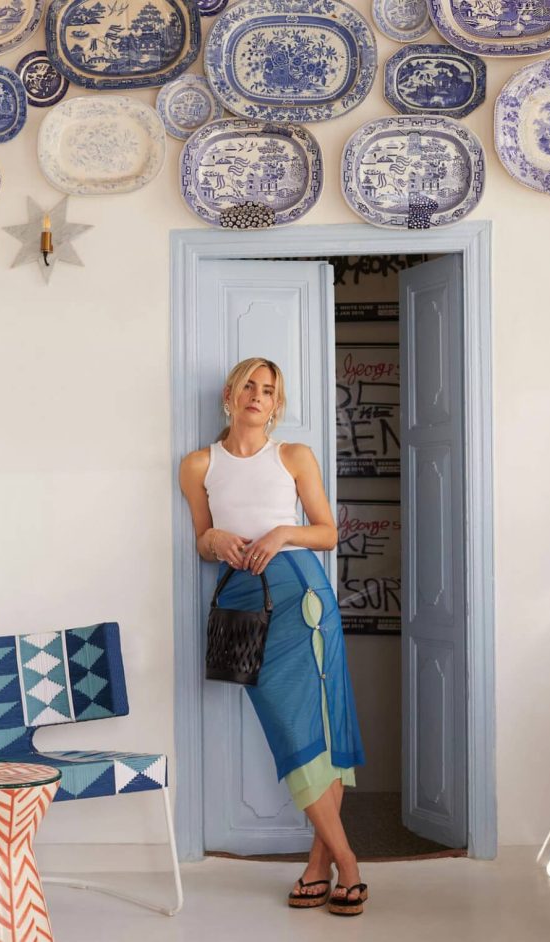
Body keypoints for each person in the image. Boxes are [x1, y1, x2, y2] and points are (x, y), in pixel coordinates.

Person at [179, 357, 368, 916]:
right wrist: (215, 540)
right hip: (246, 605)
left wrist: (283, 531)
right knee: (289, 728)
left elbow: (327, 533)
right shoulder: (198, 464)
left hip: (304, 599)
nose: (257, 396)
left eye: (268, 390)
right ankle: (334, 860)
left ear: (276, 405)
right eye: (249, 386)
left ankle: (335, 864)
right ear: (229, 394)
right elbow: (200, 540)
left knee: (321, 728)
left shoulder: (293, 456)